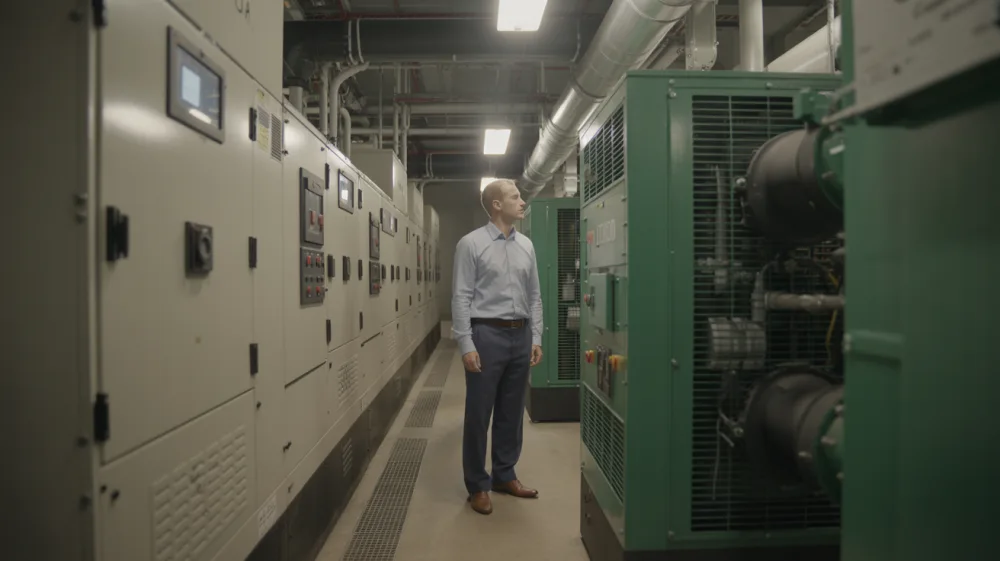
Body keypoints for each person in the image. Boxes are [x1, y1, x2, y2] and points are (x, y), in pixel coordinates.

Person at [451, 178, 544, 515]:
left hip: (520, 335)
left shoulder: (527, 246)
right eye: (515, 197)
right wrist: (466, 343)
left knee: (511, 411)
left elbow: (535, 296)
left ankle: (505, 474)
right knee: (479, 413)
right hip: (486, 334)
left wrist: (536, 337)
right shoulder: (471, 244)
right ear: (496, 205)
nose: (522, 202)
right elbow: (461, 296)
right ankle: (477, 484)